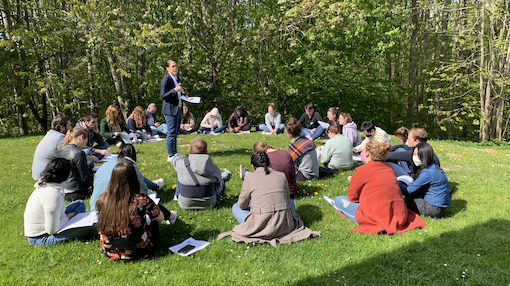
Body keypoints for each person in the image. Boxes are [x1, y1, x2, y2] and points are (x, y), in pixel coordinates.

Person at [217, 151, 320, 248]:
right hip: (285, 224)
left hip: (260, 224)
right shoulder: (281, 175)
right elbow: (287, 198)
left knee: (236, 207)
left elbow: (242, 205)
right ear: (269, 163)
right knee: (290, 202)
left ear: (253, 166)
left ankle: (257, 224)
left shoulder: (249, 178)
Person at [334, 141, 426, 234]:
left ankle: (354, 217)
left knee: (339, 200)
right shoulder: (389, 168)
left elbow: (352, 197)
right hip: (398, 214)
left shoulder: (362, 170)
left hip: (375, 215)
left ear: (367, 153)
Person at [96, 161, 177, 261]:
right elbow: (159, 219)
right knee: (154, 221)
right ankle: (172, 216)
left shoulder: (102, 199)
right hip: (137, 251)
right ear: (134, 178)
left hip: (109, 251)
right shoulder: (141, 200)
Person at [24, 158, 94, 246]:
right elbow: (51, 230)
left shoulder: (46, 183)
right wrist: (67, 218)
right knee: (92, 226)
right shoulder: (52, 194)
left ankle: (71, 224)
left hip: (50, 224)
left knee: (79, 204)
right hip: (41, 238)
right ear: (66, 175)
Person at [90, 143, 164, 211]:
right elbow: (142, 191)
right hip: (114, 211)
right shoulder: (128, 167)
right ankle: (155, 186)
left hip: (95, 207)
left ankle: (154, 185)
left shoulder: (104, 166)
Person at [170, 137, 232, 209]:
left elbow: (173, 159)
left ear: (189, 151)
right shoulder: (214, 168)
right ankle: (222, 179)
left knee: (180, 171)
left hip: (185, 204)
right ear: (206, 152)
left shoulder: (180, 163)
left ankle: (176, 196)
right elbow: (218, 189)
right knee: (219, 181)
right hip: (209, 204)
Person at [399, 142, 450, 219]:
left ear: (424, 156)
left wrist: (397, 182)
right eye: (414, 154)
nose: (414, 157)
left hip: (432, 209)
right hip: (439, 207)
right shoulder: (433, 167)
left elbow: (407, 190)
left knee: (409, 195)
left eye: (417, 154)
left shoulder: (427, 173)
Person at [161, 59, 188, 160]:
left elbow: (178, 93)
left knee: (176, 132)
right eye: (172, 66)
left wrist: (184, 95)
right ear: (167, 68)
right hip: (170, 110)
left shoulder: (177, 78)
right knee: (171, 133)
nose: (175, 68)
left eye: (176, 66)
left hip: (178, 108)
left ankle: (175, 152)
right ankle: (170, 155)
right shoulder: (166, 79)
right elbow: (163, 95)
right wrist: (174, 90)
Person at [56, 129, 94, 201]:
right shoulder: (78, 153)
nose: (85, 145)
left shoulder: (61, 149)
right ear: (81, 137)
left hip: (62, 188)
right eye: (85, 142)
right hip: (76, 189)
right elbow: (85, 177)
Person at [32, 114, 72, 180]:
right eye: (69, 125)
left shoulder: (51, 134)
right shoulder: (60, 138)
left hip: (39, 173)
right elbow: (73, 154)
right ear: (62, 127)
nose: (71, 128)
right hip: (45, 175)